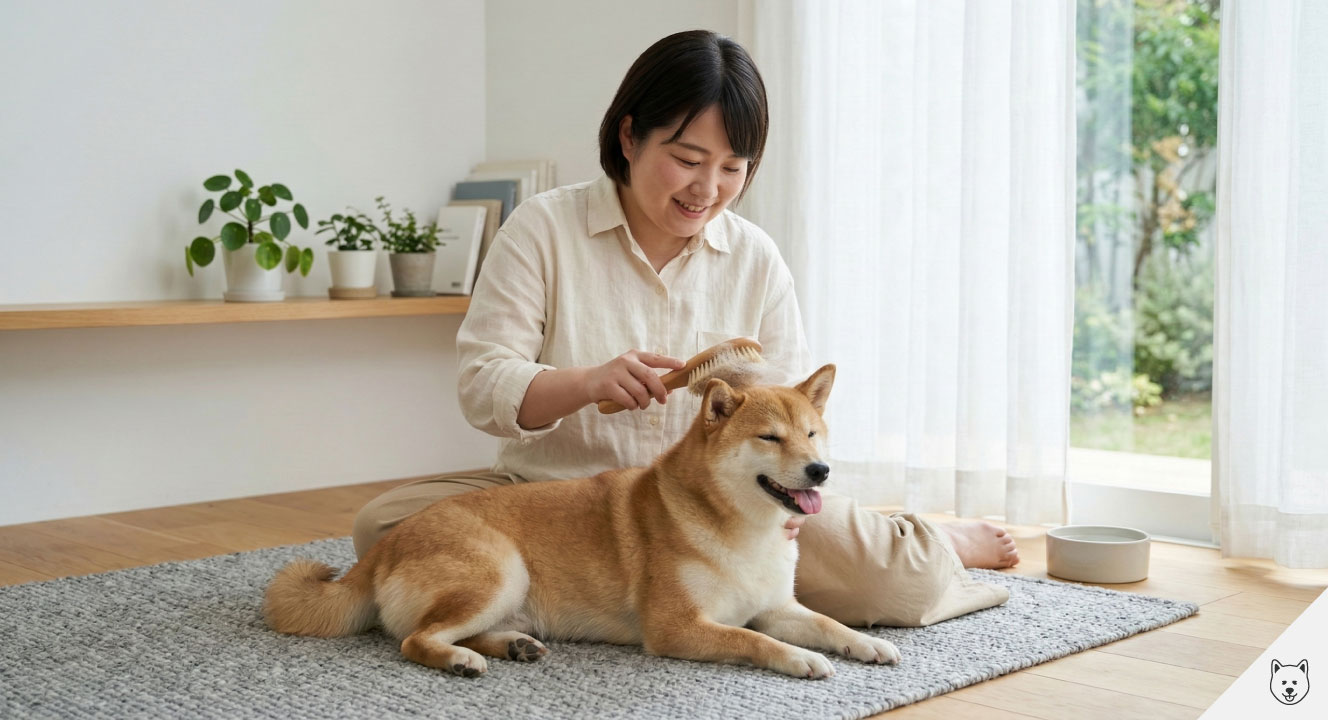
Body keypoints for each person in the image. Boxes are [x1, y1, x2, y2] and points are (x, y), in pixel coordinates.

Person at [352, 29, 1018, 627]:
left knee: (898, 585)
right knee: (383, 529)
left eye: (734, 168)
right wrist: (585, 382)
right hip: (560, 504)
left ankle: (928, 539)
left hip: (722, 512)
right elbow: (483, 385)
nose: (710, 187)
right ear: (629, 136)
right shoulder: (542, 230)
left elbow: (786, 409)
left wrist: (782, 508)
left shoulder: (755, 257)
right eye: (689, 158)